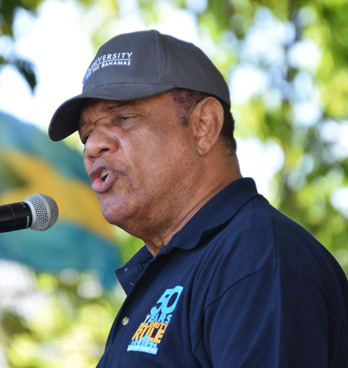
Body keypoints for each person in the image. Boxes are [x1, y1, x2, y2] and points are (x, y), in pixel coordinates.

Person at [48, 30, 348, 367]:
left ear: (204, 125)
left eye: (123, 118)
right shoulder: (177, 269)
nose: (91, 148)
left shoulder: (256, 255)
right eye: (87, 134)